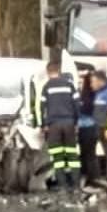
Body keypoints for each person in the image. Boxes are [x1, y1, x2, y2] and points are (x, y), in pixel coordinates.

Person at [39, 61, 81, 192]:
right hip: (69, 124)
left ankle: (62, 185)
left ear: (48, 72)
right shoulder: (69, 85)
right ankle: (76, 185)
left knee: (58, 157)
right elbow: (76, 105)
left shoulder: (46, 87)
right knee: (72, 156)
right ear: (59, 70)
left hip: (54, 126)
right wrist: (76, 122)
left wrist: (43, 124)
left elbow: (41, 107)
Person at [77, 70, 102, 189]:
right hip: (88, 127)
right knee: (87, 154)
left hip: (88, 127)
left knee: (89, 154)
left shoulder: (88, 96)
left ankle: (92, 178)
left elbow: (86, 109)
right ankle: (91, 177)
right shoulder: (92, 94)